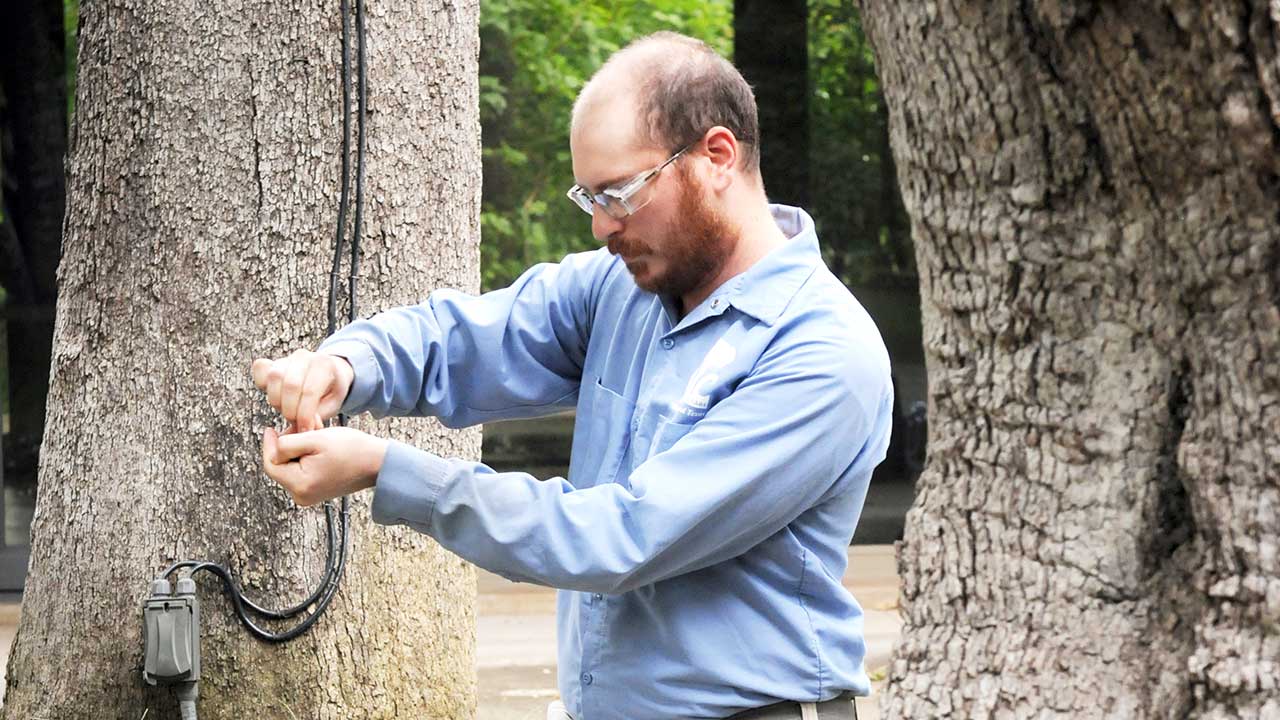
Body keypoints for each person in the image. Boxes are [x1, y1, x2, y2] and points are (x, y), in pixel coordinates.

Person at [252, 31, 892, 720]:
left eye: (620, 193)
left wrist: (388, 470)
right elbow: (469, 338)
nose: (600, 227)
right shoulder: (624, 289)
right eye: (587, 198)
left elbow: (623, 537)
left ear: (716, 157)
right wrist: (345, 366)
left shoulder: (822, 353)